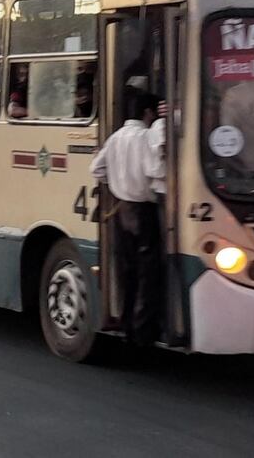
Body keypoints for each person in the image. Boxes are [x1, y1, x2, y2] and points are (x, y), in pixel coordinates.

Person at [90, 92, 162, 347]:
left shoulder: (116, 137)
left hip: (123, 211)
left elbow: (96, 169)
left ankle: (126, 324)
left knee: (127, 271)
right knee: (147, 273)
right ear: (148, 113)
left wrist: (116, 185)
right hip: (144, 210)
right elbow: (154, 170)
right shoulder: (144, 137)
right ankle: (142, 333)